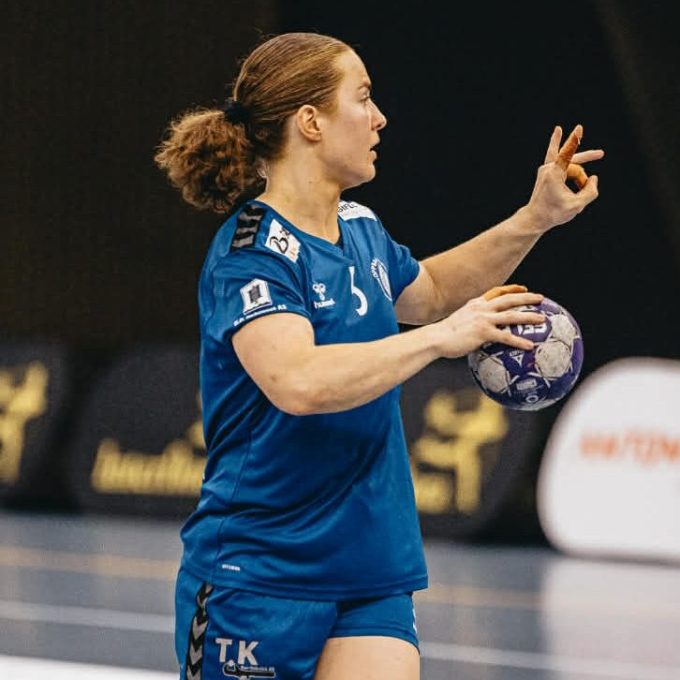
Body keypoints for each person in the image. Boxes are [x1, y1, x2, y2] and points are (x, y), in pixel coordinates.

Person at [154, 31, 603, 680]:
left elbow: (436, 291)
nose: (380, 117)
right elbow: (299, 382)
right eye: (362, 97)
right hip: (259, 573)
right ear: (310, 121)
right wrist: (440, 340)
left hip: (371, 567)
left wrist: (535, 217)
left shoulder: (361, 228)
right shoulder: (250, 254)